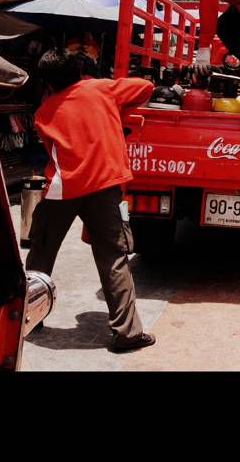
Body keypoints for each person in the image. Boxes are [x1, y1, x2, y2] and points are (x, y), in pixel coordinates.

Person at [26, 48, 157, 353]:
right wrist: (117, 112)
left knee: (41, 253)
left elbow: (52, 151)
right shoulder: (102, 88)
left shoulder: (44, 112)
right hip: (107, 186)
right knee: (114, 258)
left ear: (47, 82)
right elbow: (145, 87)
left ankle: (27, 316)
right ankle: (128, 333)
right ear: (79, 71)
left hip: (63, 189)